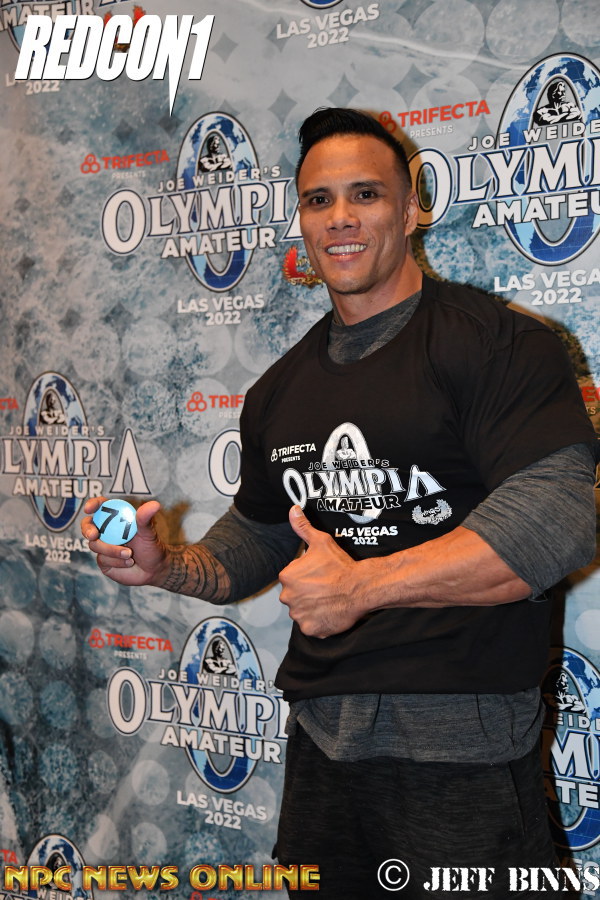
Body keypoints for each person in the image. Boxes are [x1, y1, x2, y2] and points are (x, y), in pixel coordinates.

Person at [83, 108, 598, 899]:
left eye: (366, 194)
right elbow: (258, 535)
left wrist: (361, 586)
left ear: (413, 207)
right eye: (319, 200)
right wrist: (163, 566)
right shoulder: (280, 389)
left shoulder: (497, 344)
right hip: (323, 745)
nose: (341, 219)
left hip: (463, 750)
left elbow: (557, 522)